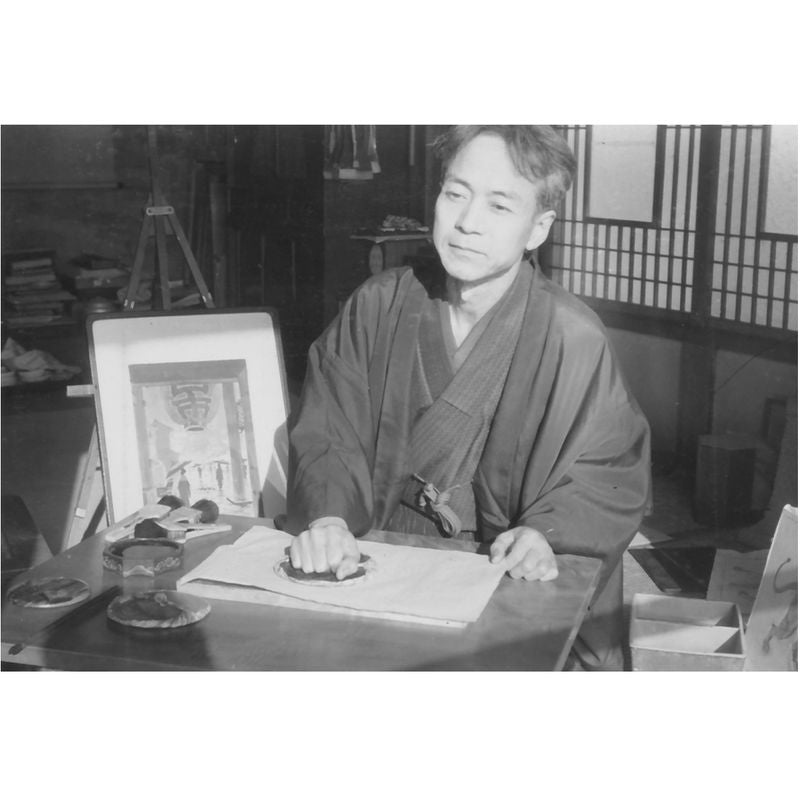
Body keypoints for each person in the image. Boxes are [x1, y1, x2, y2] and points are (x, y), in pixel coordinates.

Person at [286, 125, 651, 670]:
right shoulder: (377, 305)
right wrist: (329, 517)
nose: (467, 222)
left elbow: (604, 471)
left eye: (499, 206)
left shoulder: (571, 337)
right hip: (376, 558)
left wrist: (545, 533)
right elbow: (329, 428)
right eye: (455, 193)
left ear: (538, 228)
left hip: (498, 575)